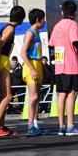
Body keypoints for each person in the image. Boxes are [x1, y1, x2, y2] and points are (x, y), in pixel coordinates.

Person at [48, 0, 78, 136]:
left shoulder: (57, 25)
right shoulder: (73, 24)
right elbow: (75, 41)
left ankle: (61, 126)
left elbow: (51, 44)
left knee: (61, 95)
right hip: (71, 64)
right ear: (75, 13)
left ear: (62, 12)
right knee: (72, 94)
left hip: (59, 65)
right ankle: (70, 126)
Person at [0, 5, 25, 136]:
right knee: (8, 96)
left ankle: (1, 126)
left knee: (3, 96)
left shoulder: (7, 27)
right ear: (21, 19)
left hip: (2, 60)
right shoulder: (10, 29)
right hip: (2, 60)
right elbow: (0, 45)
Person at [20, 8, 47, 136]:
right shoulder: (30, 33)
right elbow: (23, 53)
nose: (45, 22)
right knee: (34, 97)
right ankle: (30, 125)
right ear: (38, 20)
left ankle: (35, 124)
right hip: (31, 65)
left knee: (37, 97)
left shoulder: (36, 33)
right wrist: (31, 69)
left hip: (37, 64)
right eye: (43, 19)